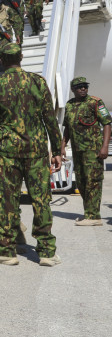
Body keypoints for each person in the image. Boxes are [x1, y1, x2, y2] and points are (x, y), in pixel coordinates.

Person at [0, 43, 63, 266]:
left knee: (6, 201)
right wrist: (56, 150)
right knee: (41, 200)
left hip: (6, 153)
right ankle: (47, 252)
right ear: (22, 57)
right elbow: (50, 119)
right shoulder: (38, 82)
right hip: (35, 151)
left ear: (1, 61)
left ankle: (6, 252)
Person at [60, 77, 112, 226]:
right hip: (78, 150)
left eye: (85, 86)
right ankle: (88, 212)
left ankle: (94, 216)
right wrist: (63, 146)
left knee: (93, 181)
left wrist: (104, 147)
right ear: (73, 89)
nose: (83, 89)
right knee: (82, 182)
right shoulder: (69, 105)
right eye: (79, 87)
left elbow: (107, 124)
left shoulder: (95, 103)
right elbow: (67, 128)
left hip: (93, 150)